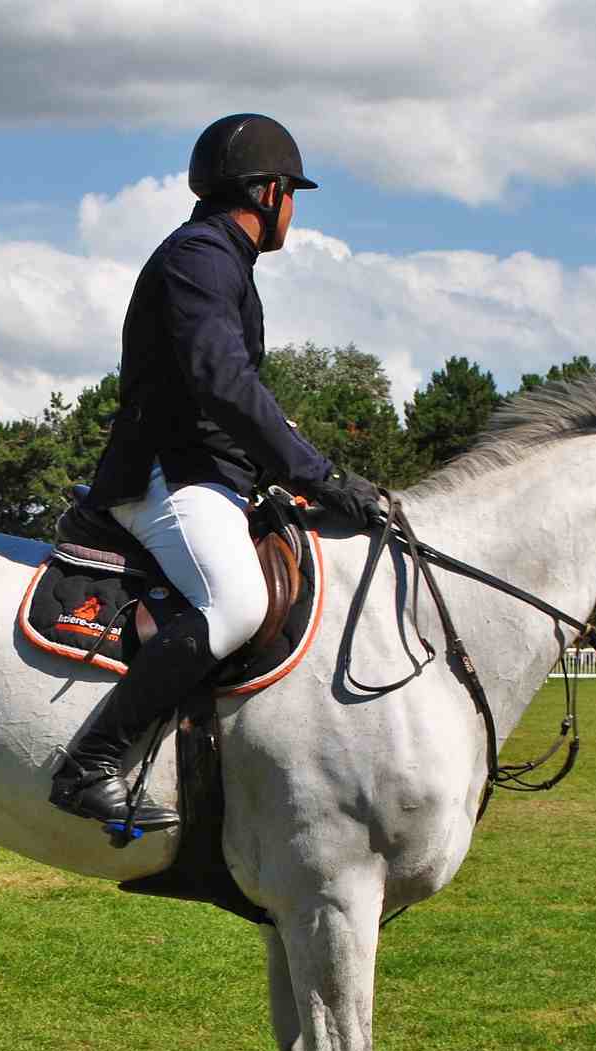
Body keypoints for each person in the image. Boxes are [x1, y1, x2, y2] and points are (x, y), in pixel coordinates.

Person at [48, 113, 383, 829]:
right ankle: (89, 765)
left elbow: (240, 402)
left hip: (208, 473)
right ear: (267, 192)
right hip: (166, 476)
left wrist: (303, 480)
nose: (293, 208)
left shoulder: (223, 261)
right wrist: (318, 476)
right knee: (237, 604)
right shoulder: (200, 259)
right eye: (292, 192)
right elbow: (223, 384)